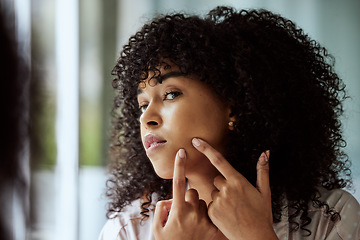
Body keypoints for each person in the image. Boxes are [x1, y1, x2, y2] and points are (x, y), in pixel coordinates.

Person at [99, 6, 360, 240]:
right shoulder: (126, 230)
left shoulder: (331, 219)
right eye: (143, 105)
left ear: (233, 106)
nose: (146, 118)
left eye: (170, 94)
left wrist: (257, 236)